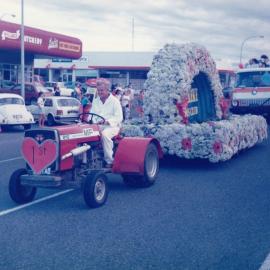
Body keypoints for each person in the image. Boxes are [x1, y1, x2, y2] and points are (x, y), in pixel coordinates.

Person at [89, 78, 123, 168]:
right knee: (84, 134)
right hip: (97, 126)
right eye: (98, 90)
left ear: (108, 90)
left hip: (113, 126)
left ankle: (109, 160)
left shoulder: (115, 101)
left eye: (102, 90)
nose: (100, 92)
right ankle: (88, 159)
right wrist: (93, 122)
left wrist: (107, 121)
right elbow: (91, 115)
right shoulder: (96, 101)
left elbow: (119, 117)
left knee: (105, 134)